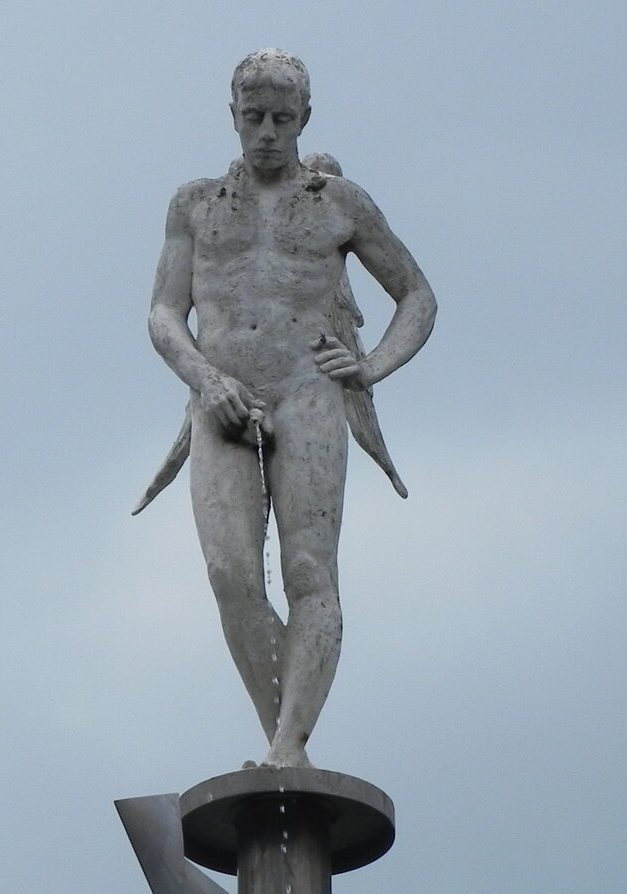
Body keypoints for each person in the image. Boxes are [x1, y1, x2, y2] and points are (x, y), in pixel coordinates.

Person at [145, 49, 436, 768]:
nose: (268, 131)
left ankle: (287, 747)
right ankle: (285, 732)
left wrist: (369, 368)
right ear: (233, 118)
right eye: (254, 117)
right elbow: (162, 312)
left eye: (282, 117)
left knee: (310, 571)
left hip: (309, 392)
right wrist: (203, 379)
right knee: (231, 576)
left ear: (304, 118)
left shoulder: (338, 201)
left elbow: (417, 295)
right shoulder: (195, 203)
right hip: (223, 399)